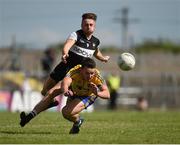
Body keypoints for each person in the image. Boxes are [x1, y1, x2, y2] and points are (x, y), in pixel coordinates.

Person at [20, 58, 110, 134]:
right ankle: (30, 116)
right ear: (81, 69)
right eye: (87, 73)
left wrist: (97, 93)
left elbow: (107, 94)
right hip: (73, 90)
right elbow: (65, 82)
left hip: (88, 96)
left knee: (66, 112)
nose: (90, 76)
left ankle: (78, 121)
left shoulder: (97, 76)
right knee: (50, 92)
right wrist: (66, 91)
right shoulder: (75, 71)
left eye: (92, 73)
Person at [41, 13, 110, 109]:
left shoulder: (95, 42)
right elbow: (67, 45)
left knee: (62, 93)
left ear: (94, 26)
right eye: (86, 24)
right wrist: (65, 53)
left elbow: (96, 53)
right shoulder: (76, 35)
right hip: (65, 66)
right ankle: (52, 102)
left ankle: (71, 111)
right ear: (82, 25)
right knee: (44, 91)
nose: (88, 27)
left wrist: (103, 58)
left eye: (91, 25)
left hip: (77, 73)